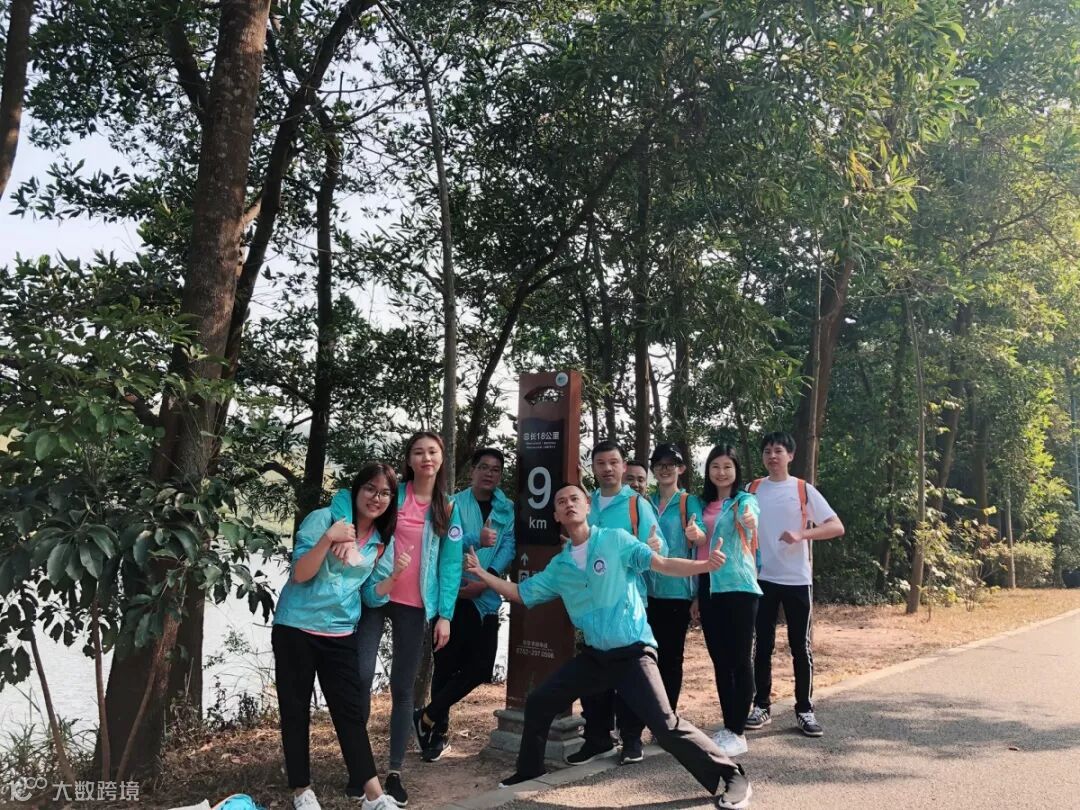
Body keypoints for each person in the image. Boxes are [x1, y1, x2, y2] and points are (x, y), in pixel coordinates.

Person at [465, 483, 753, 810]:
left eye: (575, 498)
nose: (569, 504)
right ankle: (530, 769)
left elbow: (661, 563)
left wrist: (704, 566)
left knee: (666, 726)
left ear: (587, 506)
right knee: (540, 701)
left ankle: (732, 776)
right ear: (557, 515)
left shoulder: (615, 540)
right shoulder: (560, 566)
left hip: (633, 651)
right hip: (595, 656)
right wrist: (481, 574)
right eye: (562, 501)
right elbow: (521, 593)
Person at [272, 464, 404, 810]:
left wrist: (393, 580)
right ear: (357, 489)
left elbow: (371, 595)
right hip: (296, 628)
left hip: (340, 632)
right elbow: (300, 574)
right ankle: (302, 791)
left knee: (350, 713)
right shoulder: (323, 519)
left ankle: (374, 796)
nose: (376, 498)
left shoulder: (381, 541)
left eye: (385, 493)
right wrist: (329, 538)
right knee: (295, 711)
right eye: (370, 489)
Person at [341, 432, 464, 807]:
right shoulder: (394, 495)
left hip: (415, 604)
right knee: (361, 678)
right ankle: (360, 771)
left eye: (433, 451)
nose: (426, 458)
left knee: (403, 688)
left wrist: (445, 615)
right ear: (409, 460)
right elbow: (349, 503)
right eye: (418, 452)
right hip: (376, 594)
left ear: (441, 458)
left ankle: (394, 772)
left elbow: (450, 564)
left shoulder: (448, 507)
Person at [414, 447, 516, 762]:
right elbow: (440, 546)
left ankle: (427, 715)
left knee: (481, 667)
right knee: (446, 665)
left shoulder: (506, 509)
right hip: (454, 595)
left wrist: (487, 579)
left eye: (495, 469)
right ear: (473, 470)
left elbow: (509, 545)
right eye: (484, 467)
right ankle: (437, 734)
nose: (489, 473)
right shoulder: (453, 504)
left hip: (487, 595)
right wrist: (460, 585)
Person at [745, 431, 845, 738]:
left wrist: (802, 534)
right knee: (761, 645)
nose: (772, 456)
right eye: (767, 451)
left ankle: (804, 709)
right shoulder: (752, 489)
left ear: (790, 455)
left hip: (796, 579)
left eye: (778, 451)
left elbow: (836, 526)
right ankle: (761, 705)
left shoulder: (802, 489)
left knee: (800, 646)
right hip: (761, 578)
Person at [572, 440, 664, 767]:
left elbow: (660, 551)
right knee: (593, 672)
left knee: (629, 674)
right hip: (589, 604)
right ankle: (597, 738)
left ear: (624, 467)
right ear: (593, 468)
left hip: (627, 604)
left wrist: (654, 546)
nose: (608, 468)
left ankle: (631, 738)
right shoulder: (586, 503)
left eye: (613, 462)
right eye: (601, 463)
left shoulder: (637, 504)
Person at [693, 445, 760, 757]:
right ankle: (728, 726)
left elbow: (752, 520)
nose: (721, 472)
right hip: (708, 585)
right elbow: (699, 542)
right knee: (720, 660)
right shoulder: (702, 505)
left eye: (727, 466)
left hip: (738, 586)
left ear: (736, 470)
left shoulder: (745, 500)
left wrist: (749, 520)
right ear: (708, 470)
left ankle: (738, 731)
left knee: (739, 659)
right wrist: (695, 536)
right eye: (715, 466)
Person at [641, 443, 705, 715]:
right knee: (645, 658)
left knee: (671, 657)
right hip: (646, 591)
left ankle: (667, 718)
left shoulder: (689, 502)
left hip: (677, 591)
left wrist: (696, 534)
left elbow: (701, 538)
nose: (665, 469)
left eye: (671, 464)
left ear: (681, 468)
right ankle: (646, 716)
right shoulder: (645, 502)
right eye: (659, 464)